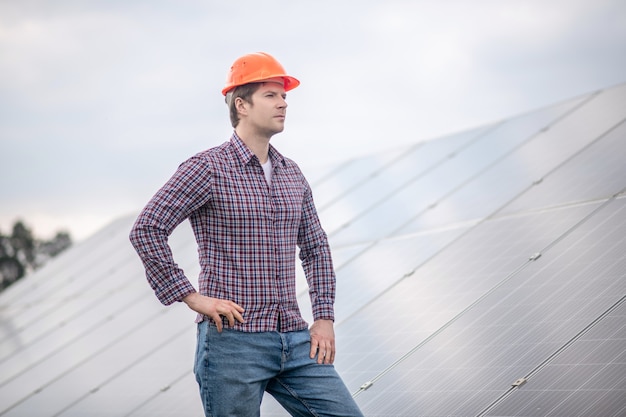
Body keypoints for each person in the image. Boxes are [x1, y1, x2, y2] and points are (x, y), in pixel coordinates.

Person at [129, 52, 363, 417]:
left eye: (284, 95)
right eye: (271, 95)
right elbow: (147, 229)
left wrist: (324, 317)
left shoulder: (292, 174)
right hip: (231, 344)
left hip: (295, 339)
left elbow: (315, 248)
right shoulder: (207, 168)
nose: (283, 103)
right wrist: (192, 297)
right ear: (241, 104)